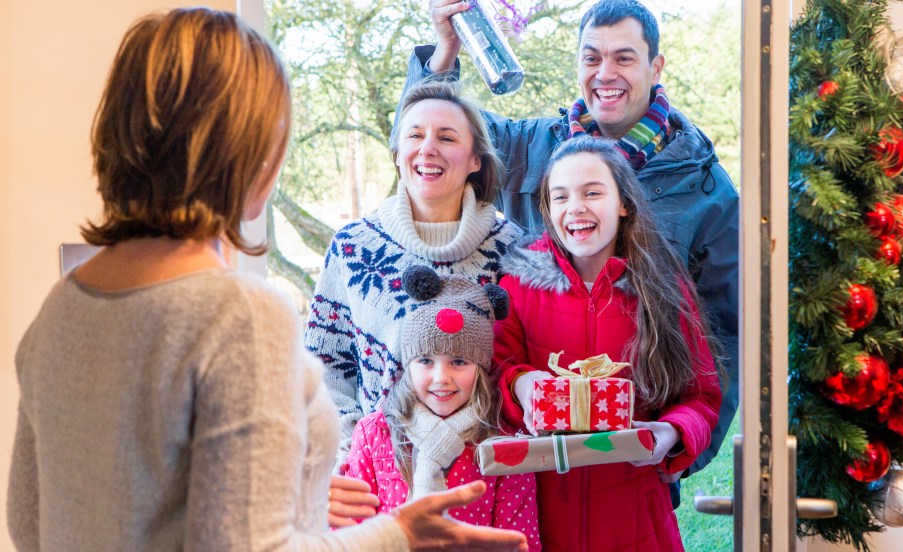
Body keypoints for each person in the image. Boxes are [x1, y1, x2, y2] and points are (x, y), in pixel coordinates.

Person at [6, 8, 528, 551]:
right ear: (247, 151)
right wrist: (396, 535)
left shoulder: (63, 307)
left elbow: (29, 526)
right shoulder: (238, 315)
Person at [403, 0, 740, 492]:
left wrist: (681, 451)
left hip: (635, 469)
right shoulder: (529, 147)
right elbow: (433, 139)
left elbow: (723, 340)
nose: (605, 73)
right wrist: (445, 51)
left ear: (656, 66)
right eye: (591, 58)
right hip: (534, 471)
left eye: (624, 58)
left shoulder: (704, 189)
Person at [493, 136, 722, 550]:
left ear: (624, 203)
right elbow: (495, 375)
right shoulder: (518, 286)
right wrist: (522, 386)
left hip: (636, 518)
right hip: (539, 517)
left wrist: (669, 433)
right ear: (547, 209)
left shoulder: (662, 289)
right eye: (560, 197)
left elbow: (702, 398)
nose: (575, 207)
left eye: (592, 192)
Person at [304, 79, 523, 468]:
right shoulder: (354, 247)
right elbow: (322, 365)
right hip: (378, 475)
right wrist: (359, 448)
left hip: (488, 475)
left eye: (447, 137)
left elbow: (521, 361)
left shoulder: (513, 249)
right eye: (415, 135)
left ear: (476, 159)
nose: (427, 148)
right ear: (398, 153)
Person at [343, 266, 541, 550]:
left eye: (459, 362)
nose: (441, 378)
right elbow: (351, 531)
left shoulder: (505, 445)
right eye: (425, 360)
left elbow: (521, 542)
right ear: (407, 365)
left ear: (481, 369)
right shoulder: (375, 434)